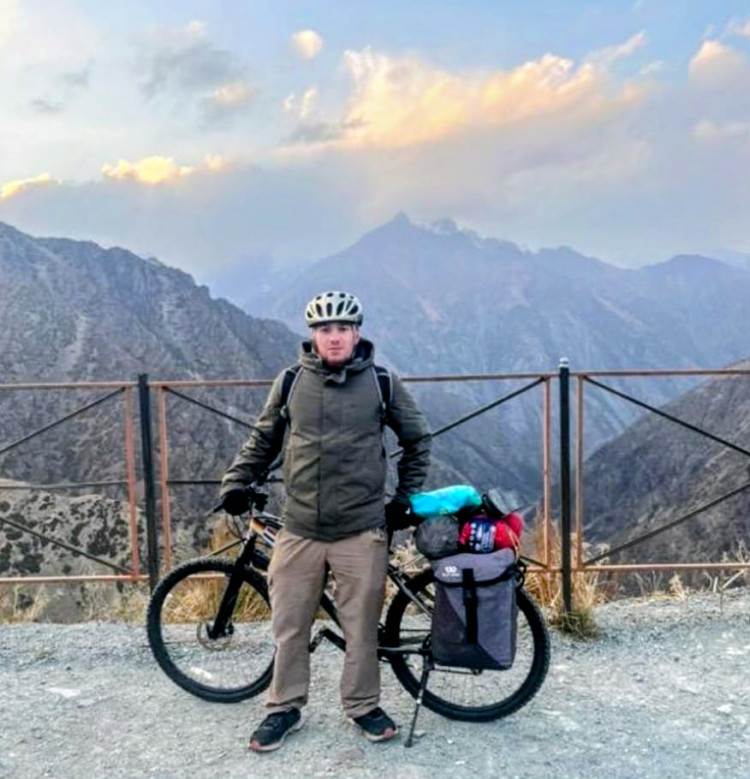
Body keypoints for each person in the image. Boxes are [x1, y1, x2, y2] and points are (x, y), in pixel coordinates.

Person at [219, 290, 432, 752]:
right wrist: (236, 482)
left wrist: (406, 498)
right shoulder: (292, 381)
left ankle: (363, 706)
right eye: (324, 329)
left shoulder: (382, 382)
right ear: (312, 335)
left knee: (361, 628)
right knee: (290, 623)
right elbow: (263, 439)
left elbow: (418, 440)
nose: (333, 337)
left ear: (357, 332)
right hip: (300, 528)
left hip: (361, 527)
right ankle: (283, 708)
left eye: (342, 328)